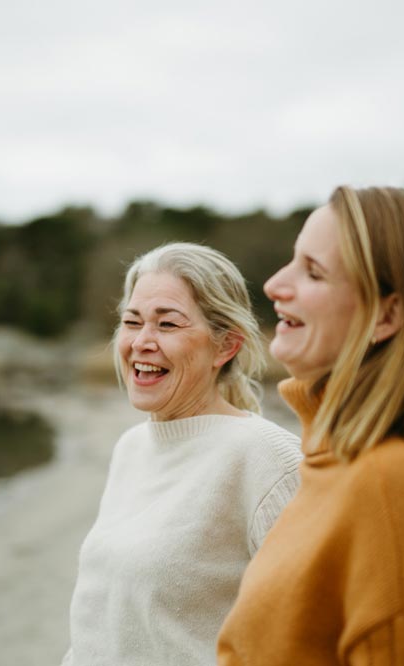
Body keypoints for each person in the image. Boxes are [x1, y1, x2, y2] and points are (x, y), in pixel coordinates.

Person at [217, 186, 404, 665]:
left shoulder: (395, 484)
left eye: (313, 272)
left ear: (387, 315)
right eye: (292, 261)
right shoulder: (339, 464)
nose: (273, 285)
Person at [62, 242, 302, 666]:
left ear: (226, 346)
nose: (141, 342)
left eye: (167, 324)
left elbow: (308, 637)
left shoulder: (269, 458)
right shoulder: (131, 447)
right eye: (132, 322)